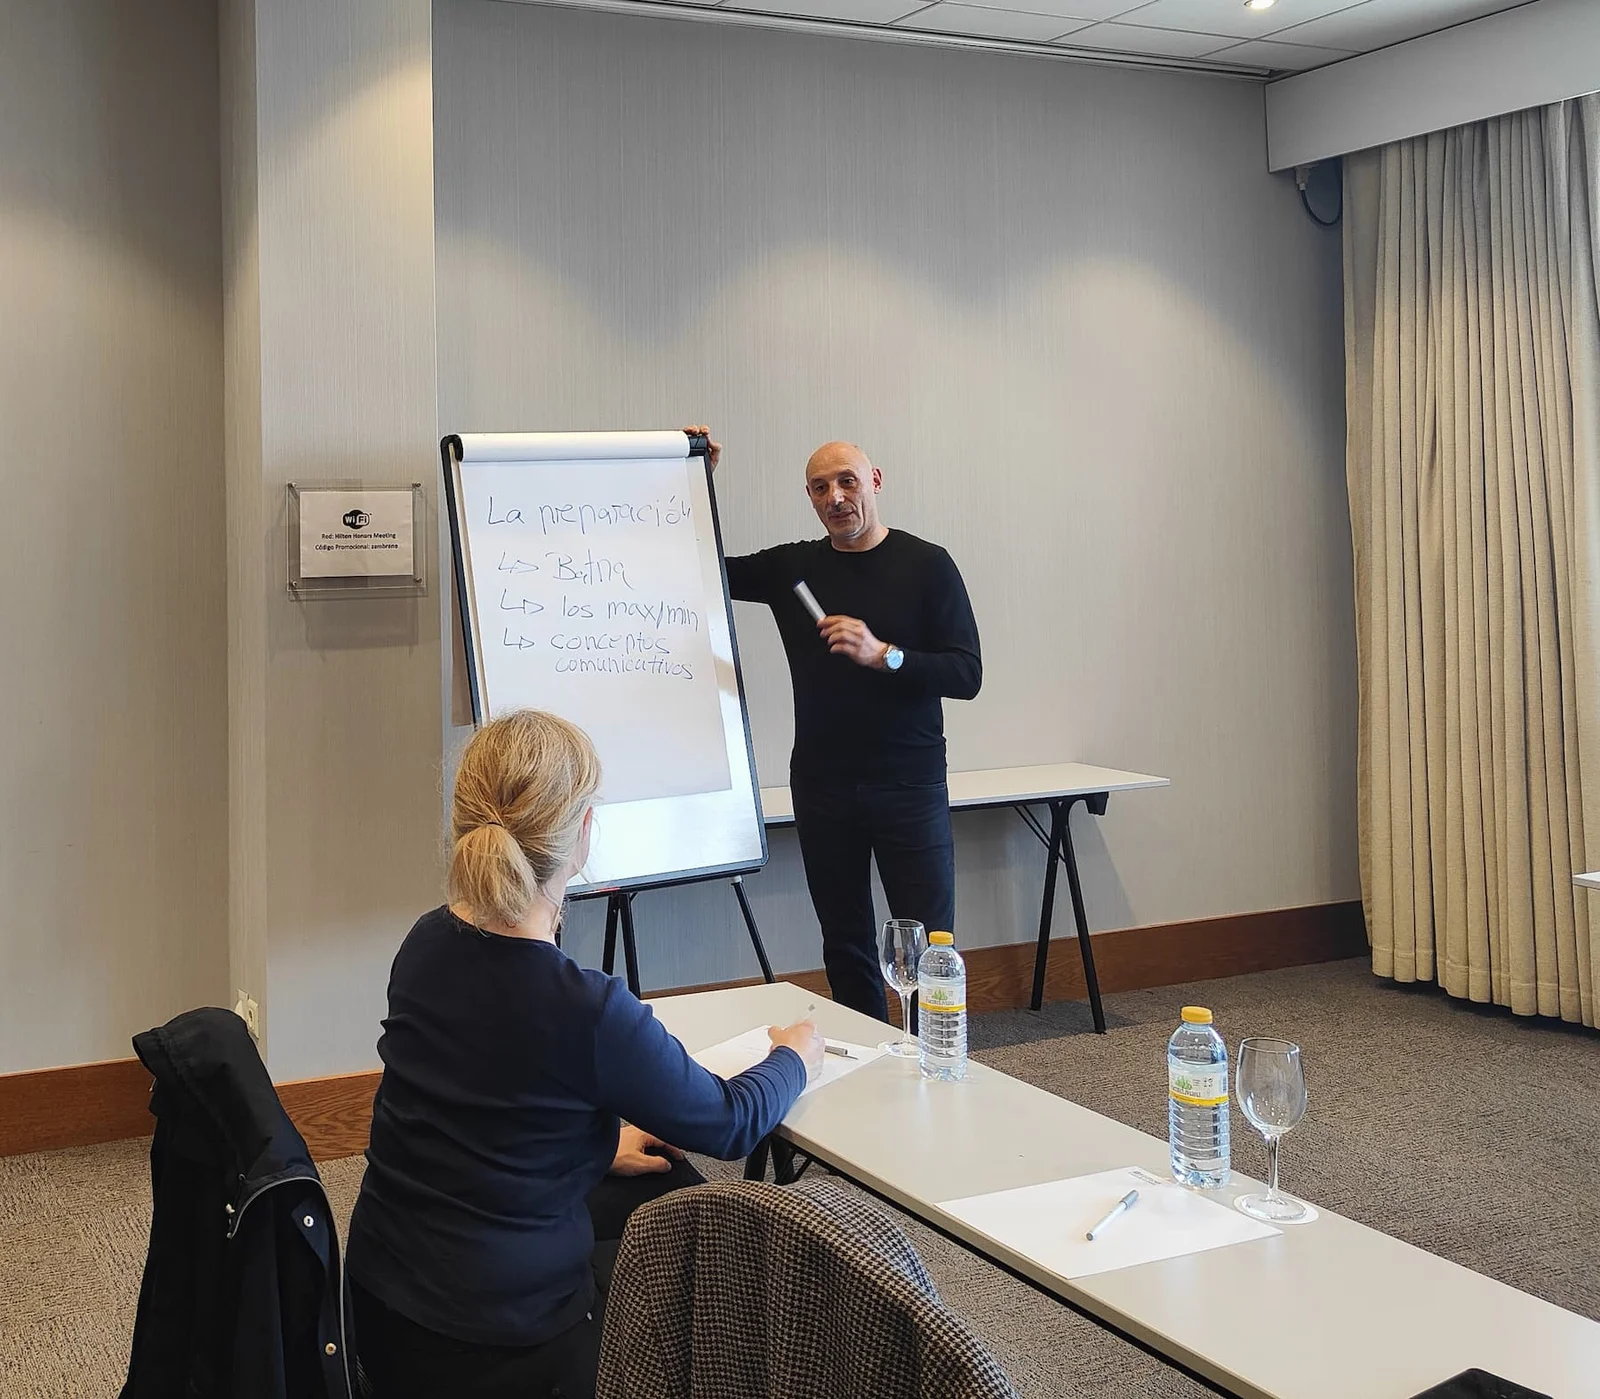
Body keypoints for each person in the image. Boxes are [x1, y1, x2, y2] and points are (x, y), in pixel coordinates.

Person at [345, 709, 824, 1399]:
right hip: (502, 1350)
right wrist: (796, 1054)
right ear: (583, 835)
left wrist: (594, 1145)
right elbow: (730, 1122)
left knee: (658, 1178)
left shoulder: (423, 943)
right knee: (708, 1222)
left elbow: (477, 1115)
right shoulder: (587, 1010)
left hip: (377, 1314)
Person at [702, 431, 982, 1023]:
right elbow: (699, 566)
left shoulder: (927, 564)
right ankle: (867, 1060)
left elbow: (967, 673)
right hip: (823, 787)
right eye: (820, 487)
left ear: (874, 481)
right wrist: (698, 475)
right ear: (809, 497)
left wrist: (885, 655)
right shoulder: (793, 569)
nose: (835, 497)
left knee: (929, 942)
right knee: (845, 942)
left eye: (847, 481)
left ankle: (934, 1060)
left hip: (910, 784)